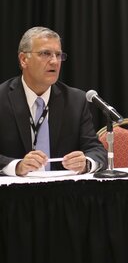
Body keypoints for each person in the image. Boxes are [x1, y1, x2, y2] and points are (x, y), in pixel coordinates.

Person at [0, 27, 108, 176]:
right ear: (24, 60)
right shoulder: (2, 98)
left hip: (62, 194)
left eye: (58, 55)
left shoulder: (75, 101)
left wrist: (86, 163)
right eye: (45, 54)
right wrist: (16, 166)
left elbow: (97, 151)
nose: (54, 61)